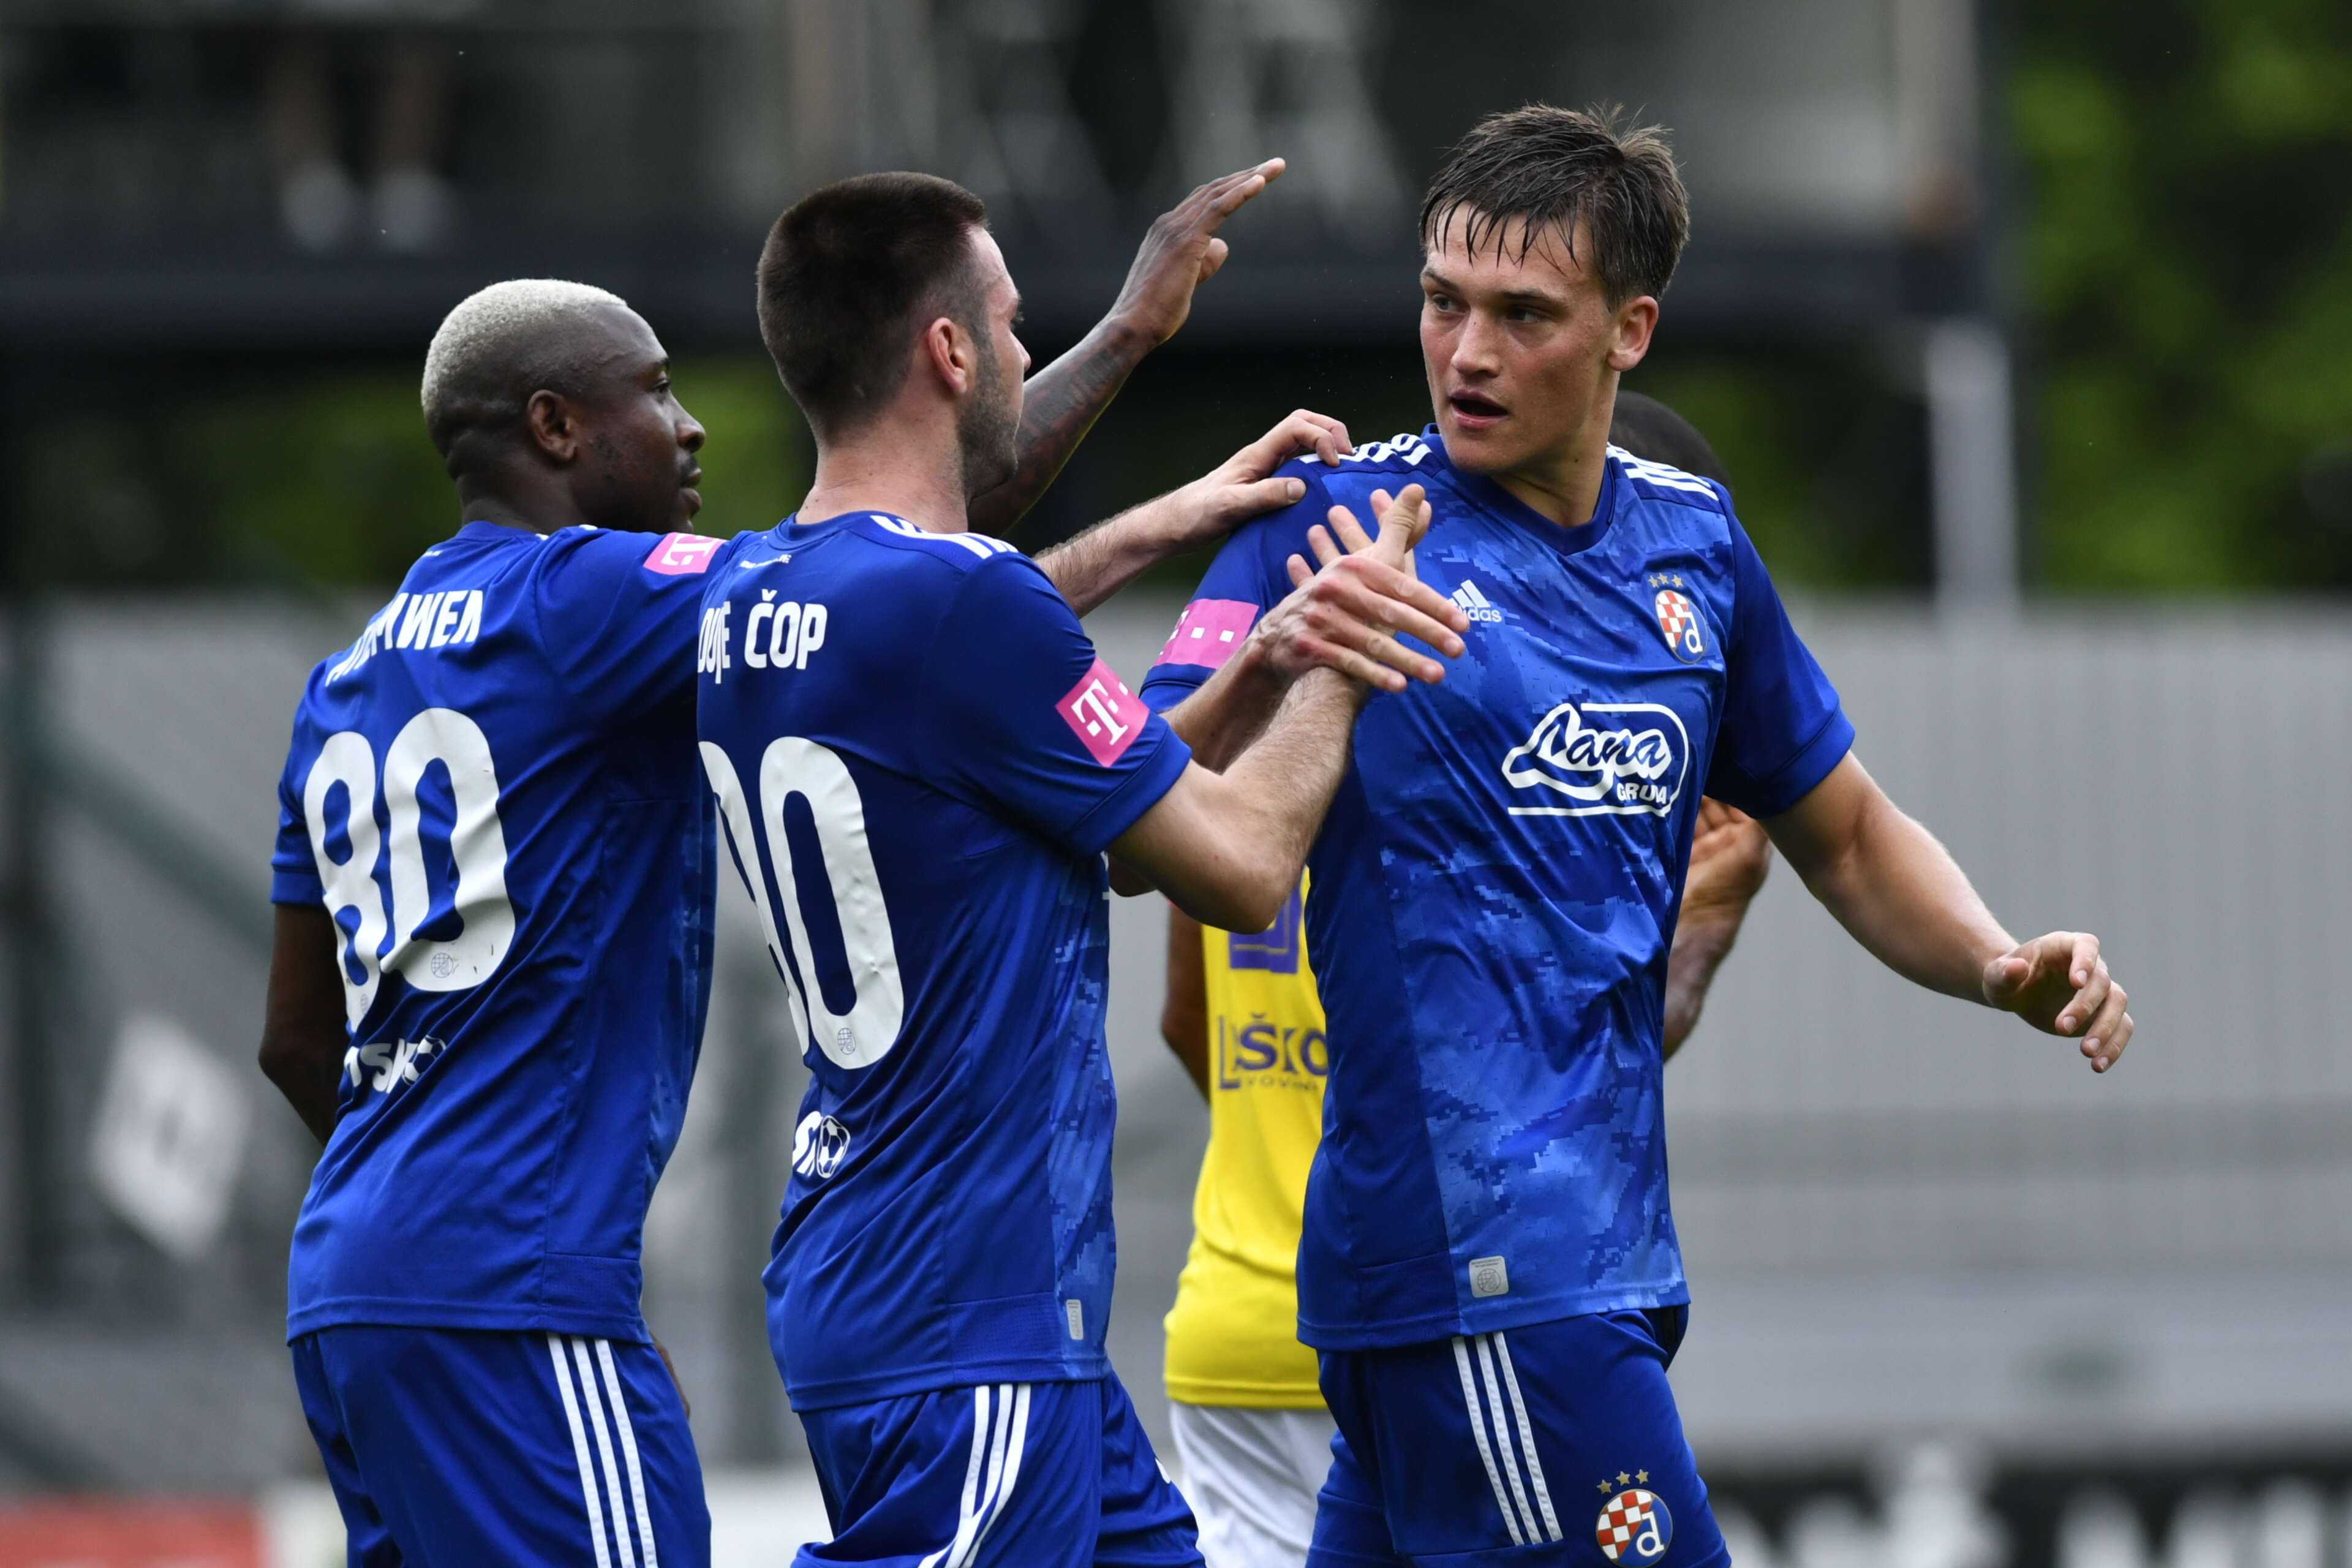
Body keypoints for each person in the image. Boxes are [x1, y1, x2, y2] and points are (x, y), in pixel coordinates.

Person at [255, 157, 1377, 1567]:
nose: (687, 426)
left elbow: (297, 1042)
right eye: (653, 392)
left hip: (357, 1274)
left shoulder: (345, 680)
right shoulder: (591, 601)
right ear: (554, 426)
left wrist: (1167, 522)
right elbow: (888, 596)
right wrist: (1328, 621)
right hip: (652, 1286)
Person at [1137, 106, 2132, 1568]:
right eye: (1442, 301)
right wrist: (1272, 658)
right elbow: (1123, 810)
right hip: (1485, 1280)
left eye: (1523, 314)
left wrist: (1995, 960)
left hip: (1576, 1272)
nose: (1467, 352)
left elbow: (1849, 834)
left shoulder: (1695, 545)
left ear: (1631, 331)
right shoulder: (1334, 525)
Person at [692, 170, 1469, 1568]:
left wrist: (1255, 649)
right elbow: (1243, 865)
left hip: (912, 1275)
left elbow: (1084, 797)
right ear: (948, 351)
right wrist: (1352, 645)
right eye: (1009, 322)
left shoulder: (755, 590)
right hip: (962, 1300)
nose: (1022, 347)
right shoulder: (959, 606)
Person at [1154, 398, 1771, 1568]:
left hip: (1250, 1299)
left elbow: (1188, 1017)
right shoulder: (1500, 748)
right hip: (1450, 1281)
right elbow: (1562, 1065)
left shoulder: (1267, 711)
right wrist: (1703, 926)